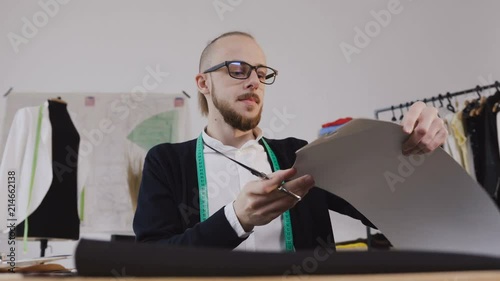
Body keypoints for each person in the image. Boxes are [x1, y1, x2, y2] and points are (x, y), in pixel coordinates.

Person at [133, 31, 448, 251]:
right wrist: (237, 219)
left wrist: (412, 150)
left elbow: (391, 211)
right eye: (238, 69)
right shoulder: (167, 162)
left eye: (260, 72)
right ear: (203, 83)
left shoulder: (302, 155)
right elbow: (151, 258)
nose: (254, 81)